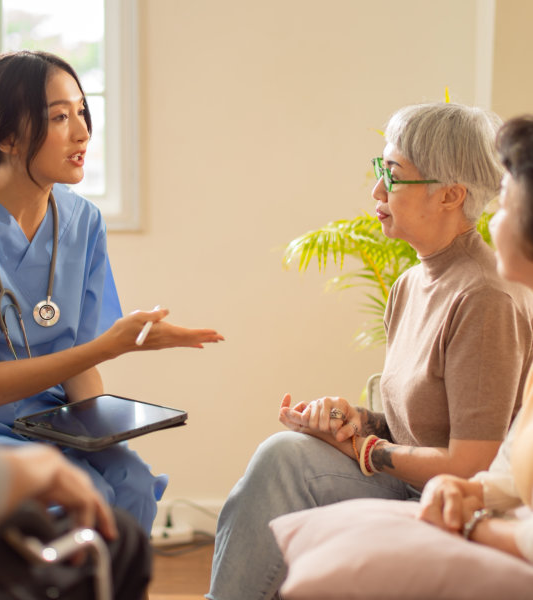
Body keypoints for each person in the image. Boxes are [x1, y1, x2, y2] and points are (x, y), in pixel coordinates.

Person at [208, 103, 533, 600]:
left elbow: (472, 464)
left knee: (284, 460)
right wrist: (356, 420)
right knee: (289, 452)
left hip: (455, 498)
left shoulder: (484, 297)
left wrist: (366, 450)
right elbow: (423, 423)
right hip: (414, 484)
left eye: (395, 176)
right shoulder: (411, 283)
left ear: (452, 195)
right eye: (380, 170)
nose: (377, 192)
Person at [0, 50, 224, 536]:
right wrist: (111, 344)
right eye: (59, 117)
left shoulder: (82, 222)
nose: (82, 132)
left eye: (81, 112)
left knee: (133, 484)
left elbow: (79, 365)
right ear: (7, 137)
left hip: (52, 420)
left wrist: (104, 436)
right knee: (89, 497)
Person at [0, 369, 151, 599]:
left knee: (135, 479)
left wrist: (90, 426)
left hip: (51, 422)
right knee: (120, 532)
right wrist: (41, 465)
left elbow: (81, 365)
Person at [418, 115, 533, 562]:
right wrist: (465, 490)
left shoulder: (485, 298)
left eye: (503, 202)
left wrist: (474, 526)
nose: (491, 218)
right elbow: (511, 471)